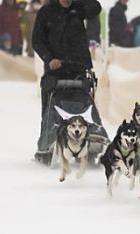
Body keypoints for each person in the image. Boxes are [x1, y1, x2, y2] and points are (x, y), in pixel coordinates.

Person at [31, 0, 102, 165]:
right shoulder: (46, 12)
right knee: (50, 107)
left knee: (84, 103)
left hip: (79, 66)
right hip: (55, 69)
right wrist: (49, 59)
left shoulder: (79, 8)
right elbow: (37, 40)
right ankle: (46, 146)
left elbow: (96, 8)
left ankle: (91, 139)